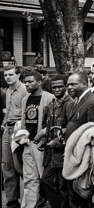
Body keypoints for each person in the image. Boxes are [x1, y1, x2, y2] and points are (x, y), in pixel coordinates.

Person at [65, 71, 94, 208]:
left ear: (84, 84)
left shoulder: (93, 101)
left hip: (83, 157)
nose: (69, 87)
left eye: (73, 84)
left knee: (82, 195)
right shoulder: (76, 101)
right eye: (68, 84)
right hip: (74, 154)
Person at [34, 74, 71, 208]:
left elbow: (73, 128)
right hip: (50, 154)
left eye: (60, 86)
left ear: (66, 87)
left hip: (64, 153)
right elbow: (47, 126)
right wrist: (44, 138)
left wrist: (60, 141)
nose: (56, 89)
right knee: (46, 181)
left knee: (63, 187)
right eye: (54, 87)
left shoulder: (70, 104)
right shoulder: (51, 105)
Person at [18, 71, 54, 208]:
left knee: (46, 179)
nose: (26, 84)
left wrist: (44, 136)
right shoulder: (25, 99)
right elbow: (24, 120)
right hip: (27, 143)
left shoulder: (49, 98)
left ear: (39, 82)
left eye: (30, 81)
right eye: (25, 82)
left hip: (42, 144)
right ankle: (28, 205)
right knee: (29, 179)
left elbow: (53, 121)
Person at [1, 64, 27, 208]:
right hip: (7, 129)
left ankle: (36, 196)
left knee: (21, 165)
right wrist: (3, 124)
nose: (8, 77)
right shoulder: (8, 91)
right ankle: (12, 200)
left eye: (11, 74)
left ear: (18, 75)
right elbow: (8, 111)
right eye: (6, 75)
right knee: (7, 165)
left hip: (19, 129)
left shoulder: (23, 90)